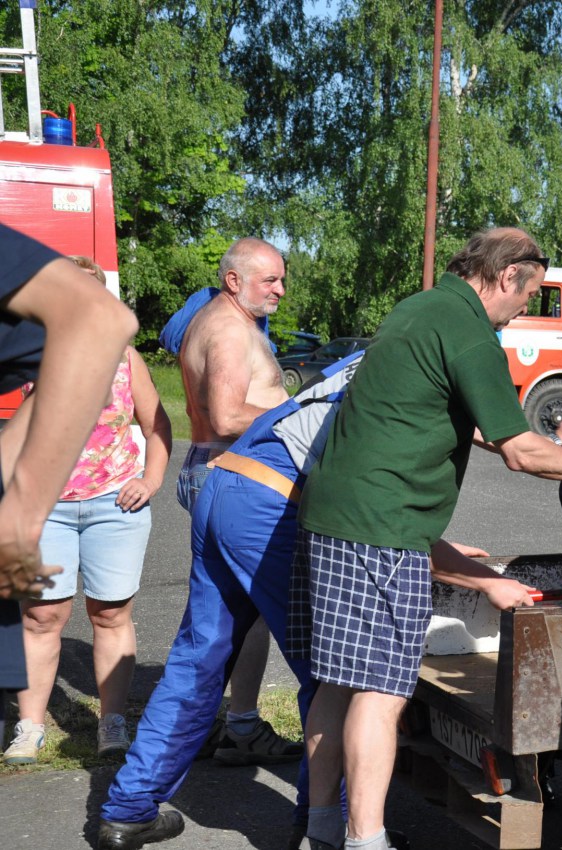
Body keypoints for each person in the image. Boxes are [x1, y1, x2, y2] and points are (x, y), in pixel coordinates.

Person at [288, 227, 562, 850]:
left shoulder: (422, 307)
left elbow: (475, 422)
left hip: (332, 514)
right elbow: (518, 453)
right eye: (530, 294)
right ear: (509, 275)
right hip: (383, 528)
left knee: (338, 682)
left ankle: (323, 830)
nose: (524, 309)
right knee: (381, 692)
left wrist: (554, 442)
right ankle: (365, 841)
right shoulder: (469, 331)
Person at [96, 351, 533, 850]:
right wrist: (482, 578)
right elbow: (376, 518)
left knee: (197, 661)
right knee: (335, 673)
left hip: (227, 482)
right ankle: (334, 825)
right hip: (274, 505)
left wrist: (446, 549)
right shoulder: (415, 391)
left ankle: (128, 810)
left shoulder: (383, 356)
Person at [3, 258, 172, 767]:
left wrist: (150, 480)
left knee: (111, 614)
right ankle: (29, 728)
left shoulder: (125, 359)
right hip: (47, 506)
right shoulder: (32, 356)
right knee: (41, 616)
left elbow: (157, 424)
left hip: (115, 505)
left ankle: (111, 723)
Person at [176, 237, 301, 766]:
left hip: (220, 471)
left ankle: (208, 726)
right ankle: (233, 727)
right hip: (231, 473)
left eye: (281, 278)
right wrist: (302, 416)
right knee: (248, 611)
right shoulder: (229, 329)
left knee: (231, 614)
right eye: (270, 280)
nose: (280, 289)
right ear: (233, 280)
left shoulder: (222, 320)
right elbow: (227, 416)